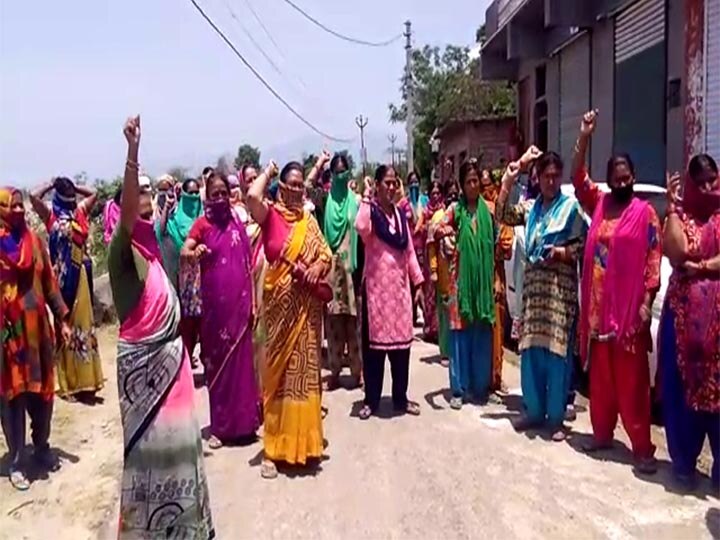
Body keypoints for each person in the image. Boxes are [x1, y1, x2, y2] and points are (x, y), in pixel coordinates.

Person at [109, 116, 213, 537]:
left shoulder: (154, 254)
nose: (149, 211)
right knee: (151, 457)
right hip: (144, 368)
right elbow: (130, 208)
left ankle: (187, 528)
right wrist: (134, 152)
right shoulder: (121, 252)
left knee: (183, 448)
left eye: (153, 206)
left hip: (175, 364)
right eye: (142, 207)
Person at [572, 110, 661, 474]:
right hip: (598, 312)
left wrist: (646, 304)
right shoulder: (601, 204)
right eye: (616, 177)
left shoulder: (646, 214)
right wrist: (584, 137)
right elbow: (578, 178)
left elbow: (653, 261)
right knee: (602, 381)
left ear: (634, 178)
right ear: (609, 181)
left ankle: (642, 447)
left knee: (633, 382)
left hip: (628, 316)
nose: (622, 182)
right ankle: (602, 434)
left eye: (627, 177)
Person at [246, 160, 331, 479]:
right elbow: (252, 198)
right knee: (276, 377)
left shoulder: (309, 221)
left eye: (300, 184)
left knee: (304, 375)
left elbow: (326, 254)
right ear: (281, 186)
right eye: (290, 183)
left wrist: (317, 269)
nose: (296, 189)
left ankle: (305, 445)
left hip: (306, 312)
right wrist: (267, 172)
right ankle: (273, 449)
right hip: (278, 312)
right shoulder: (270, 216)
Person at [496, 151, 586, 440]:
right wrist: (509, 179)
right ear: (537, 178)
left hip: (559, 294)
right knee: (532, 352)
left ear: (559, 177)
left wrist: (562, 253)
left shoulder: (571, 208)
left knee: (557, 355)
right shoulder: (532, 209)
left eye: (554, 176)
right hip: (534, 295)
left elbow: (587, 244)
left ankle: (555, 419)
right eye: (545, 176)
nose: (550, 181)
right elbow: (502, 214)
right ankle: (533, 411)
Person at [181, 171, 260, 449]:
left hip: (240, 306)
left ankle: (246, 424)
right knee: (217, 368)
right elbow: (184, 252)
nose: (219, 198)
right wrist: (195, 253)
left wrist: (252, 302)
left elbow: (248, 264)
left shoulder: (237, 221)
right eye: (214, 194)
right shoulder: (202, 224)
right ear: (207, 196)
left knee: (242, 367)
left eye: (223, 193)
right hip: (215, 311)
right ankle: (221, 428)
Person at [0, 187, 71, 490]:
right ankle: (17, 461)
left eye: (20, 206)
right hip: (8, 341)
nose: (18, 211)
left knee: (43, 398)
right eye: (11, 206)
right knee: (12, 401)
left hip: (38, 335)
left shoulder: (36, 242)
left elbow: (50, 284)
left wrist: (63, 319)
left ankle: (41, 447)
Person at [661, 154, 719, 490]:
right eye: (701, 183)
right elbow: (676, 251)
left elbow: (694, 262)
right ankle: (683, 463)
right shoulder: (681, 215)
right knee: (679, 390)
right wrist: (671, 207)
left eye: (712, 180)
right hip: (682, 325)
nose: (709, 187)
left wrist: (704, 267)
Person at [355, 165, 424, 420]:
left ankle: (400, 399)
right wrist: (365, 196)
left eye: (395, 183)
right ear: (378, 184)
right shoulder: (371, 213)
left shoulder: (400, 216)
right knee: (374, 354)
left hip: (399, 294)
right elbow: (360, 227)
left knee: (401, 352)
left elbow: (409, 252)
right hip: (376, 295)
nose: (392, 187)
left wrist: (417, 283)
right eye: (387, 183)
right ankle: (371, 401)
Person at [30, 177, 103, 401]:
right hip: (62, 279)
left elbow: (94, 193)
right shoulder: (51, 216)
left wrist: (73, 185)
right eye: (68, 195)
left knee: (84, 325)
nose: (73, 198)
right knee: (65, 324)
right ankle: (68, 383)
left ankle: (87, 380)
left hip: (81, 275)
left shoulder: (79, 211)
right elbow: (33, 196)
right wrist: (51, 184)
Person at [435, 160, 497, 410]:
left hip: (482, 286)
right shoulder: (455, 210)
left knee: (481, 333)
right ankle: (459, 390)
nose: (473, 186)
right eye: (469, 181)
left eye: (476, 182)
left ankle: (480, 387)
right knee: (460, 338)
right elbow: (435, 228)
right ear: (462, 185)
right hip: (459, 285)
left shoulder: (488, 211)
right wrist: (448, 239)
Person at [316, 151, 362, 389]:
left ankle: (358, 371)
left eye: (345, 170)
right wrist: (319, 164)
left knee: (354, 323)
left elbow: (363, 235)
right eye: (337, 171)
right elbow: (306, 189)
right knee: (333, 323)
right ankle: (334, 372)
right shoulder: (325, 202)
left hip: (352, 271)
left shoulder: (357, 202)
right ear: (332, 174)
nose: (341, 175)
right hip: (331, 270)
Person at [479, 167, 515, 394]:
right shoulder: (473, 210)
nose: (485, 192)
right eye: (481, 187)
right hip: (476, 276)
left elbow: (507, 247)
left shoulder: (497, 213)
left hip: (494, 275)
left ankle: (495, 377)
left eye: (487, 186)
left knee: (496, 330)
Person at [161, 178, 203, 361]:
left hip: (207, 279)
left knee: (207, 325)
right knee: (188, 326)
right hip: (186, 283)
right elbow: (161, 232)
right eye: (190, 193)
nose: (194, 197)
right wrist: (165, 210)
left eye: (196, 193)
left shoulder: (205, 217)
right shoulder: (175, 221)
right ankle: (185, 363)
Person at [414, 180, 446, 343]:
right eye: (432, 193)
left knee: (441, 291)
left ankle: (440, 329)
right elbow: (417, 229)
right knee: (430, 293)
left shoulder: (445, 211)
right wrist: (428, 227)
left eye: (437, 193)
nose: (435, 196)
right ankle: (430, 328)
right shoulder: (426, 211)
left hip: (443, 256)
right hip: (428, 256)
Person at [426, 181, 452, 366]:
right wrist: (433, 270)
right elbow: (432, 247)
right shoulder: (438, 218)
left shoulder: (460, 214)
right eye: (448, 194)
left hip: (458, 273)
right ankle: (445, 352)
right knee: (444, 314)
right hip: (442, 273)